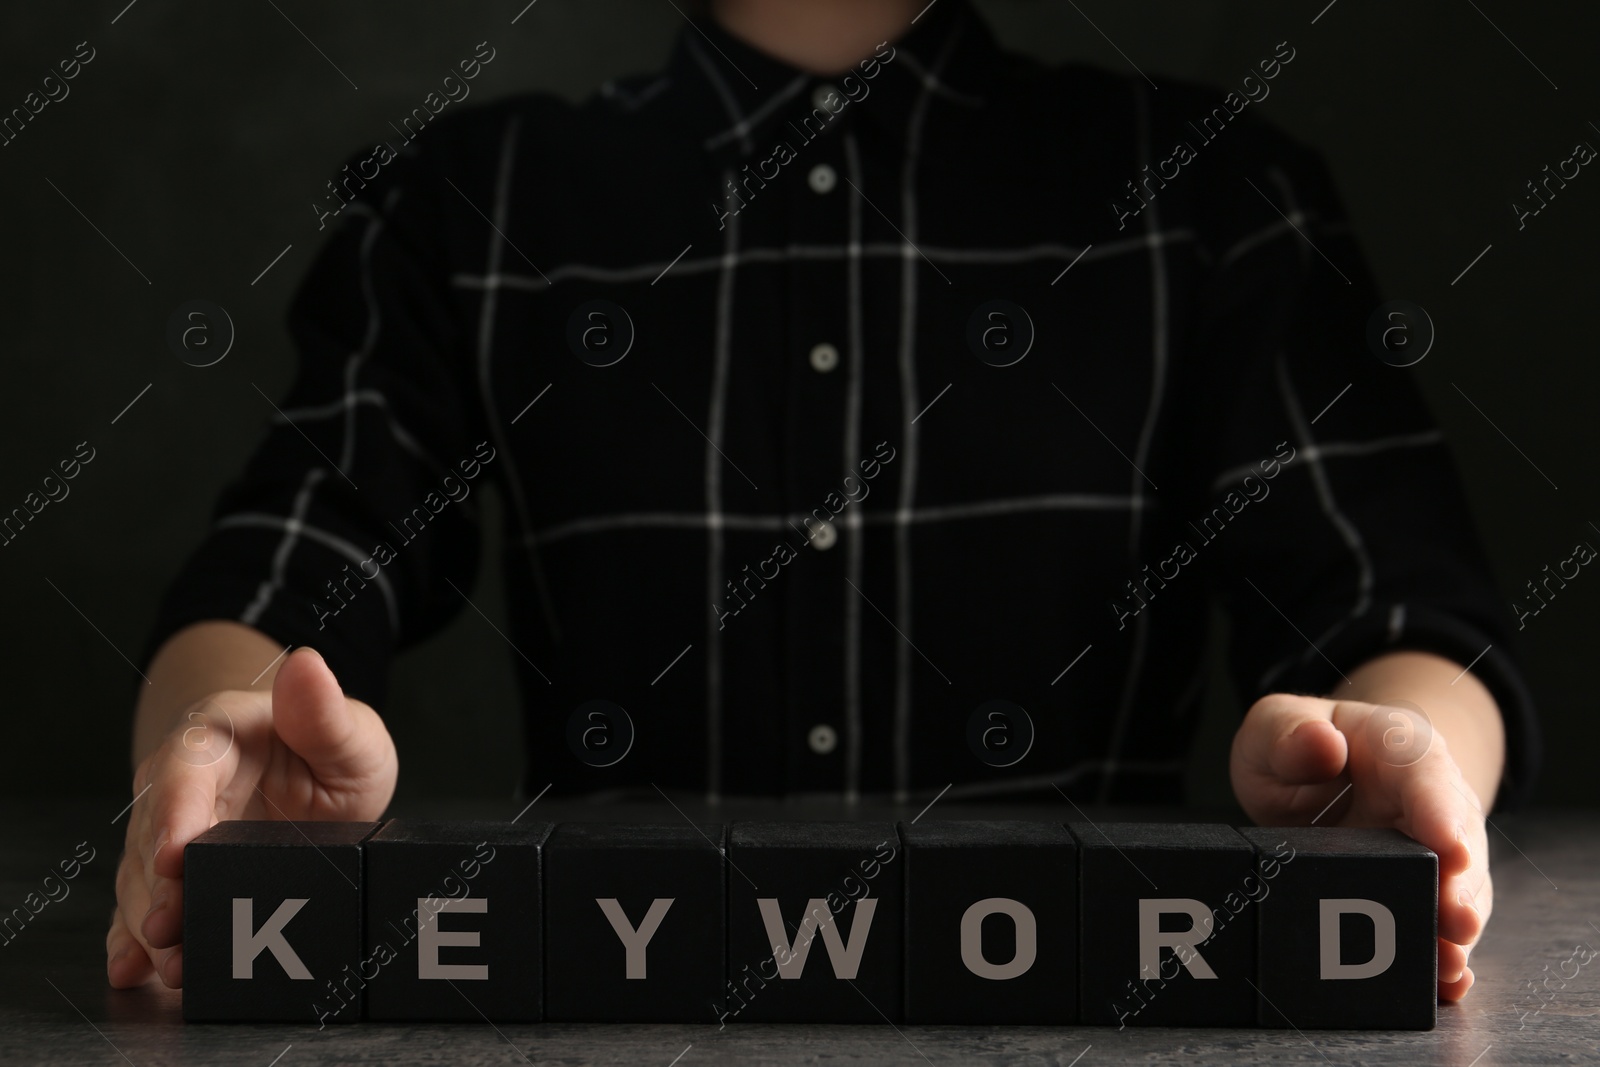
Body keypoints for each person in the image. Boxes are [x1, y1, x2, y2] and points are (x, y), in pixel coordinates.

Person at [107, 0, 1537, 1004]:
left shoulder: (1211, 192)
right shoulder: (470, 203)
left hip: (1109, 1015)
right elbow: (298, 553)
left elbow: (1394, 606)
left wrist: (1408, 768)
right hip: (612, 1010)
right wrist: (216, 748)